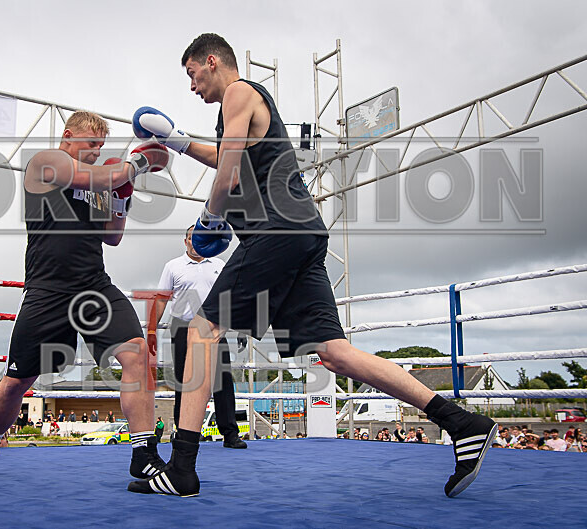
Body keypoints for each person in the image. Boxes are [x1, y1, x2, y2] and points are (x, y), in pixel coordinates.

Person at [128, 33, 496, 498]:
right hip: (303, 233)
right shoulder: (240, 112)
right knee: (335, 351)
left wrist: (209, 217)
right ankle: (460, 422)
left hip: (276, 231)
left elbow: (228, 173)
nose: (192, 85)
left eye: (192, 74)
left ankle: (182, 469)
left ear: (212, 61)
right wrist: (178, 141)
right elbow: (227, 156)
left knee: (202, 331)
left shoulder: (239, 94)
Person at [0, 111, 170, 480]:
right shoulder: (47, 162)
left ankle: (143, 452)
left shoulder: (100, 182)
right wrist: (138, 162)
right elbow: (113, 173)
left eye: (101, 146)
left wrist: (121, 199)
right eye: (91, 143)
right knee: (17, 382)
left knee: (138, 354)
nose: (95, 151)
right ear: (68, 136)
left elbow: (112, 235)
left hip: (93, 285)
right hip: (47, 290)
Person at [153, 225, 246, 449]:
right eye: (191, 238)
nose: (196, 242)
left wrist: (242, 326)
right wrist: (151, 330)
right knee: (184, 382)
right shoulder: (173, 266)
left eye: (200, 237)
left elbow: (231, 297)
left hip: (213, 326)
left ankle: (230, 433)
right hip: (182, 327)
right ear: (185, 241)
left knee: (222, 380)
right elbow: (161, 300)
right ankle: (181, 432)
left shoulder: (219, 264)